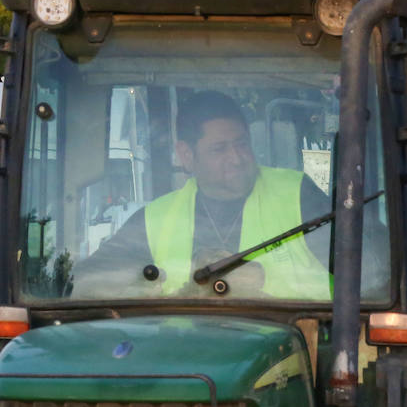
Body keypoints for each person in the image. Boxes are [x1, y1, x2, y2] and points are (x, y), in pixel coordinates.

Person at [76, 90, 332, 300]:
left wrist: (264, 280)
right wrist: (137, 295)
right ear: (186, 155)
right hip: (186, 355)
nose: (236, 158)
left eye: (242, 143)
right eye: (219, 149)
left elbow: (363, 282)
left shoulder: (298, 195)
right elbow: (81, 286)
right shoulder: (154, 220)